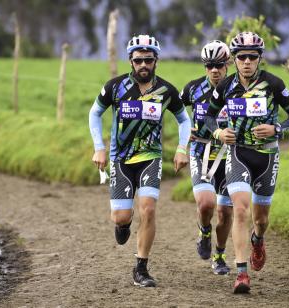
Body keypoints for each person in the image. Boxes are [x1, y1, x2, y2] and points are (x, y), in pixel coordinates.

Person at [89, 34, 191, 288]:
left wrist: (181, 149)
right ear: (130, 61)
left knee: (149, 209)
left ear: (156, 61)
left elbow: (184, 120)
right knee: (121, 217)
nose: (143, 65)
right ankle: (123, 224)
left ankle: (141, 268)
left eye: (148, 60)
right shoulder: (115, 87)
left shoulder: (166, 90)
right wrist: (99, 148)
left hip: (151, 158)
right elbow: (95, 113)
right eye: (138, 60)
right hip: (121, 159)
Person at [204, 32, 289, 293]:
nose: (246, 62)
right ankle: (241, 273)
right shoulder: (224, 86)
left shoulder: (273, 83)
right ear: (234, 59)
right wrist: (218, 133)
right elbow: (209, 117)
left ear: (260, 59)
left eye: (252, 57)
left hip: (267, 156)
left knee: (260, 219)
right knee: (240, 211)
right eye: (241, 57)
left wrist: (277, 129)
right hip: (238, 154)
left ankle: (258, 240)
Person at [180, 40, 233, 275]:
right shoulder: (192, 89)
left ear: (227, 65)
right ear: (204, 67)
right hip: (201, 152)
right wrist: (184, 129)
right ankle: (204, 232)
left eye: (219, 65)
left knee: (225, 212)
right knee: (206, 204)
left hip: (231, 155)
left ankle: (219, 256)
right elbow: (174, 109)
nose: (215, 70)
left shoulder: (238, 89)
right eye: (210, 65)